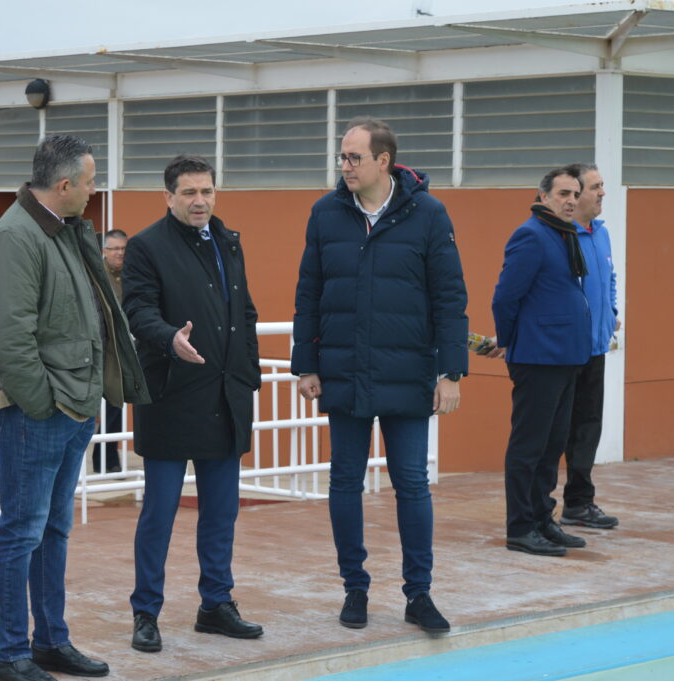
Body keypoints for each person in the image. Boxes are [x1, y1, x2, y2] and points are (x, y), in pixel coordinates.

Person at [0, 134, 149, 681]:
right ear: (65, 184)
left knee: (52, 531)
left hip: (72, 407)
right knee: (21, 532)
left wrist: (77, 402)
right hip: (38, 414)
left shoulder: (65, 232)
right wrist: (44, 405)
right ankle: (11, 656)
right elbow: (8, 337)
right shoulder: (15, 239)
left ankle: (50, 641)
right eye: (92, 181)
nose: (96, 191)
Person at [291, 117, 467, 634]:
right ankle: (355, 589)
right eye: (341, 157)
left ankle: (419, 595)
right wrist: (306, 363)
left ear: (383, 161)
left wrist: (451, 371)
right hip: (344, 372)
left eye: (353, 157)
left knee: (411, 484)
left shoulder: (429, 214)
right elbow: (309, 293)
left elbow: (450, 298)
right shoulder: (325, 214)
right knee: (344, 481)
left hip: (408, 373)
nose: (344, 166)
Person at [122, 154, 263, 653]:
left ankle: (216, 605)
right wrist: (168, 339)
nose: (199, 200)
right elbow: (136, 309)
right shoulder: (145, 247)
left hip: (226, 396)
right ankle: (146, 612)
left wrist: (248, 376)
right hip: (170, 395)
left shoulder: (229, 241)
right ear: (169, 197)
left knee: (222, 511)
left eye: (206, 191)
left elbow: (244, 311)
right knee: (159, 512)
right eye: (188, 193)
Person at [491, 167, 593, 558]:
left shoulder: (564, 234)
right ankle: (520, 527)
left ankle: (541, 518)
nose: (570, 200)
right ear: (544, 196)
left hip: (566, 356)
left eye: (574, 193)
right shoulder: (531, 235)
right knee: (529, 447)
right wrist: (510, 342)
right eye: (563, 193)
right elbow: (505, 297)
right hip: (537, 357)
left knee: (552, 446)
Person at [559, 163, 620, 530]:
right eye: (596, 186)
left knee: (587, 429)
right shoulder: (559, 237)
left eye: (603, 186)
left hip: (595, 349)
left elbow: (610, 277)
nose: (602, 193)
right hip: (562, 353)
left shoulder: (601, 233)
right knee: (556, 432)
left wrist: (611, 310)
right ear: (574, 194)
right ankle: (535, 509)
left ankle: (579, 504)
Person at [93, 229, 128, 473]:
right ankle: (103, 460)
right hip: (102, 350)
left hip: (125, 350)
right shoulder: (96, 276)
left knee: (115, 407)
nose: (119, 253)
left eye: (123, 249)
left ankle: (108, 460)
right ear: (104, 251)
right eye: (114, 249)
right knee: (106, 407)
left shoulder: (131, 275)